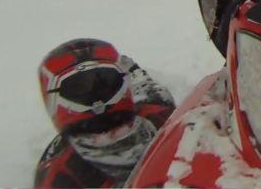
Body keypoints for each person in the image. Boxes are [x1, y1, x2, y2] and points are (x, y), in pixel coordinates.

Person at [34, 39, 175, 188]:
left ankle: (138, 78)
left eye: (104, 82)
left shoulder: (159, 115)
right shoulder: (62, 176)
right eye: (79, 88)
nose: (96, 98)